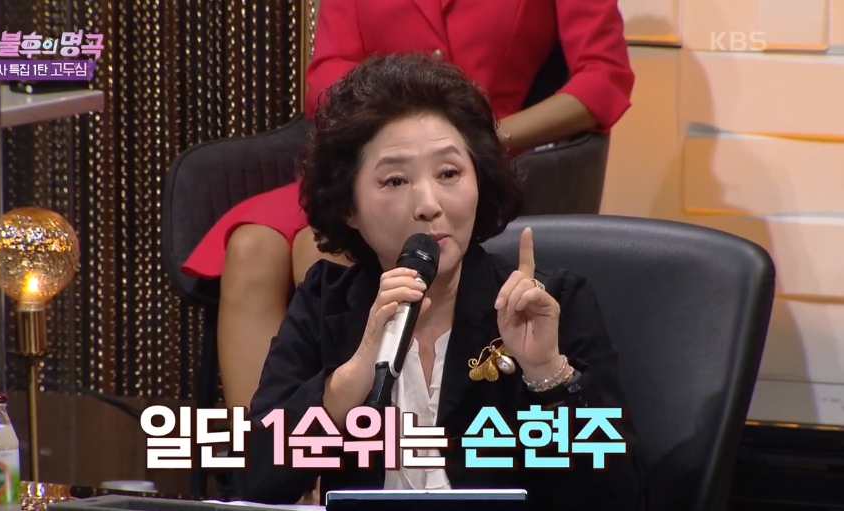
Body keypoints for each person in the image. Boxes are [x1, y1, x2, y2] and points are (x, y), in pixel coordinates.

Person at [233, 53, 645, 510]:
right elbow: (253, 484)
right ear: (348, 207)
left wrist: (547, 374)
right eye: (395, 181)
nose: (428, 204)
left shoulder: (550, 304)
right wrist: (345, 386)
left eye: (449, 173)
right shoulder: (326, 303)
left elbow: (616, 502)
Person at [181, 0, 635, 411]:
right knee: (251, 247)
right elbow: (325, 74)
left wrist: (474, 138)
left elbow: (603, 78)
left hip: (490, 140)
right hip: (376, 147)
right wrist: (379, 123)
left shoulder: (564, 295)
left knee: (313, 249)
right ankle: (265, 451)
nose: (427, 206)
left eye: (448, 176)